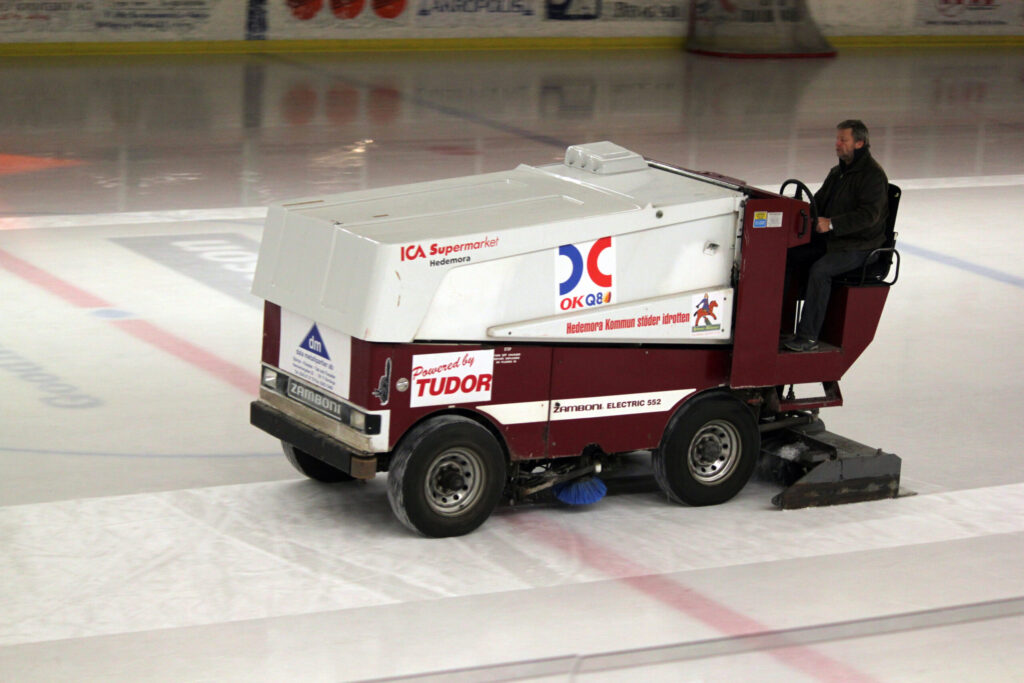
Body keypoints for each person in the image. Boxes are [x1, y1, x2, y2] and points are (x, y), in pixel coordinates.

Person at [784, 120, 889, 352]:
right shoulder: (838, 172)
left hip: (860, 247)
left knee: (821, 270)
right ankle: (782, 326)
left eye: (844, 140)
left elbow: (869, 216)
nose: (837, 144)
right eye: (837, 139)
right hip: (836, 242)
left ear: (859, 143)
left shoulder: (872, 176)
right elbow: (819, 203)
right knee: (789, 256)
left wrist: (832, 224)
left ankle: (808, 336)